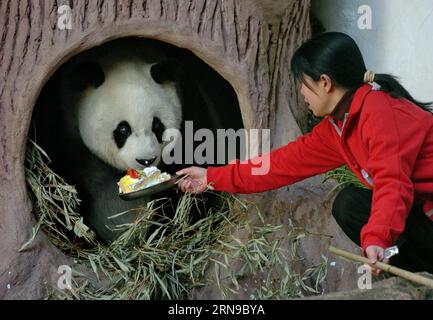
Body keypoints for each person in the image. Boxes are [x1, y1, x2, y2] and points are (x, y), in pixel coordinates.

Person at [176, 32, 433, 276]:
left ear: (325, 82)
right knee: (351, 204)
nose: (301, 93)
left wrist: (377, 238)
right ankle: (417, 278)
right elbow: (278, 165)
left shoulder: (379, 112)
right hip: (424, 214)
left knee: (360, 207)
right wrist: (212, 176)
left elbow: (392, 182)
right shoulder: (337, 127)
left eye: (303, 83)